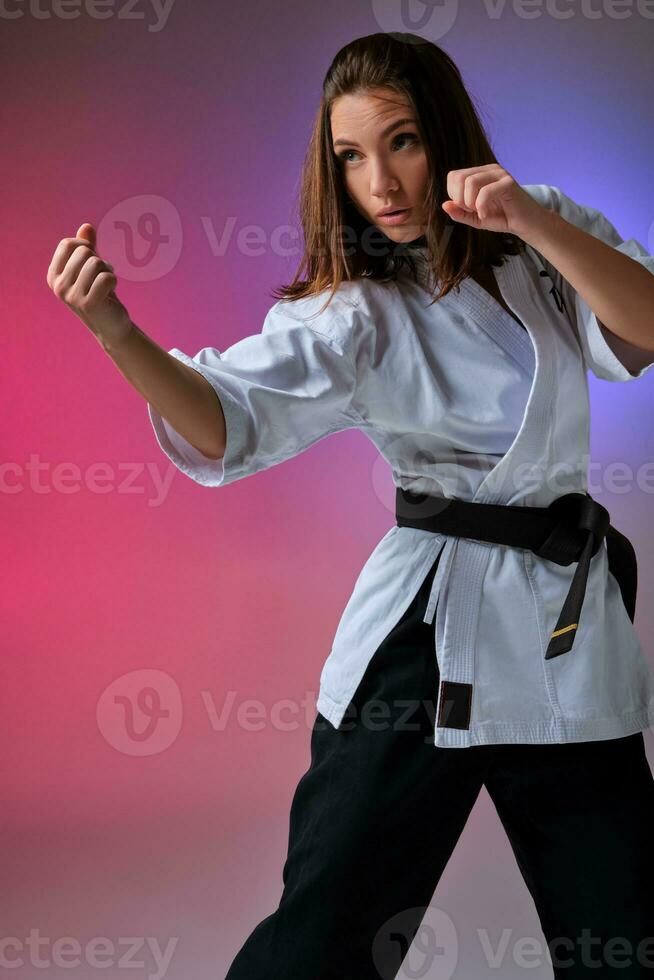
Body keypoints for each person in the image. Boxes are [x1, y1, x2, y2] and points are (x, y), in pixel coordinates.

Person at [46, 30, 654, 980]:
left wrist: (532, 220)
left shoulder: (542, 243)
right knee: (322, 940)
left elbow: (644, 328)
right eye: (351, 157)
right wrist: (117, 331)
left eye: (403, 141)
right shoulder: (355, 312)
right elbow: (224, 420)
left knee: (629, 937)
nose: (382, 182)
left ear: (447, 136)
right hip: (424, 643)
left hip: (564, 646)